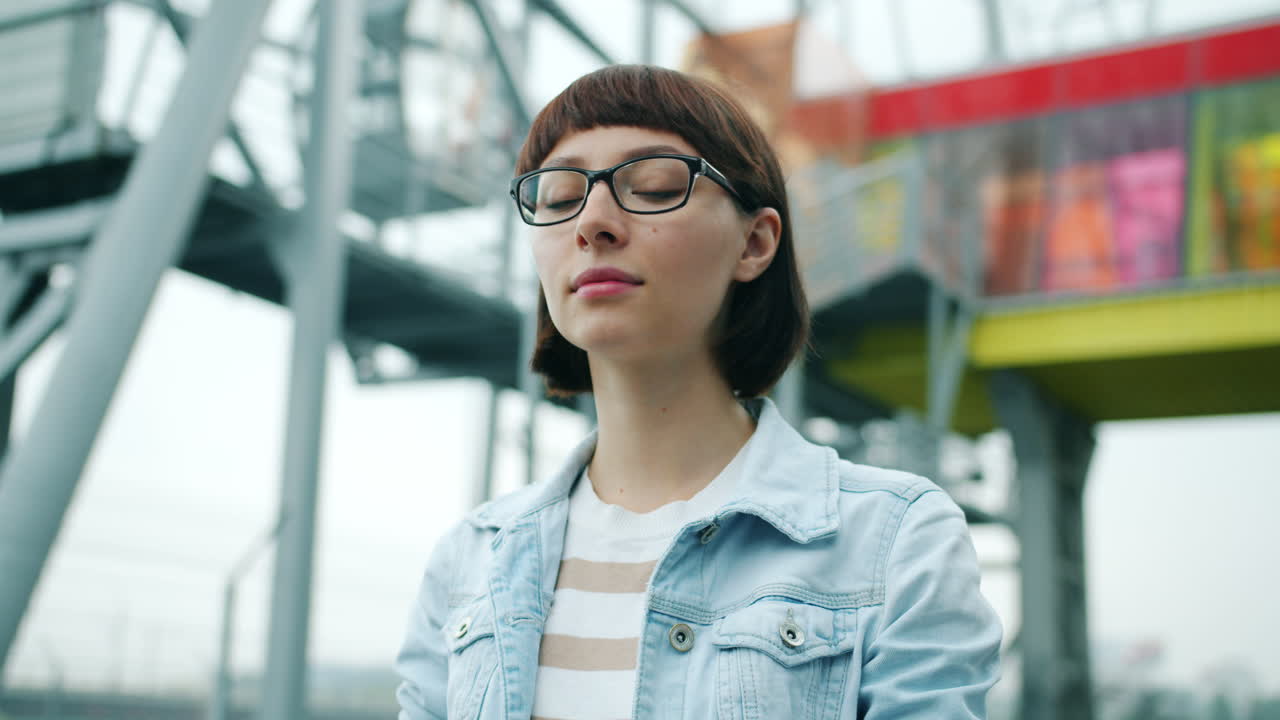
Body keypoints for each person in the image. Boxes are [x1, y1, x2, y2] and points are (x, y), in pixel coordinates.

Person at [395, 64, 1001, 720]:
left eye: (653, 185)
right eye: (559, 196)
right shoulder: (470, 560)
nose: (591, 222)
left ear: (755, 242)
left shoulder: (896, 542)